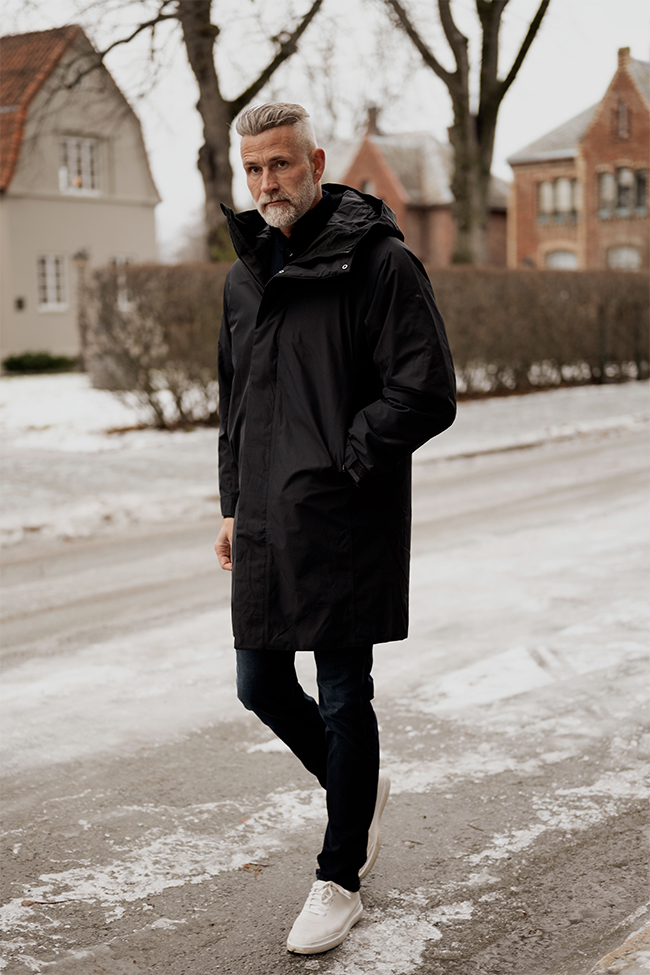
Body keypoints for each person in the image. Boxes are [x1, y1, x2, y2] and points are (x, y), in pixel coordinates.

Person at [215, 102, 456, 955]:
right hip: (266, 520)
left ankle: (339, 876)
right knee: (259, 684)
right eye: (253, 168)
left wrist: (342, 460)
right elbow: (234, 405)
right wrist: (232, 503)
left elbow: (425, 390)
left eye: (281, 163)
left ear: (316, 162)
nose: (266, 182)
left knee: (346, 693)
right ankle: (358, 787)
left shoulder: (381, 263)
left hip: (346, 515)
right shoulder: (243, 276)